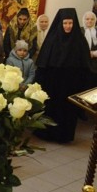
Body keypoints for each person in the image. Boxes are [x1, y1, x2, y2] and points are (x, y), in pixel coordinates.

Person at [34, 8, 91, 143]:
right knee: (51, 109)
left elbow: (85, 65)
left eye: (70, 23)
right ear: (60, 23)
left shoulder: (80, 41)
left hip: (71, 85)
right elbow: (43, 65)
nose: (68, 26)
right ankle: (47, 134)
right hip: (53, 84)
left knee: (67, 111)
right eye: (65, 23)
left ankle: (64, 136)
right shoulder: (52, 39)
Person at [82, 11, 97, 84]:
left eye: (92, 19)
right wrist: (87, 53)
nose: (90, 21)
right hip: (82, 62)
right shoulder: (80, 31)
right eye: (87, 19)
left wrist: (94, 53)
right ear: (84, 20)